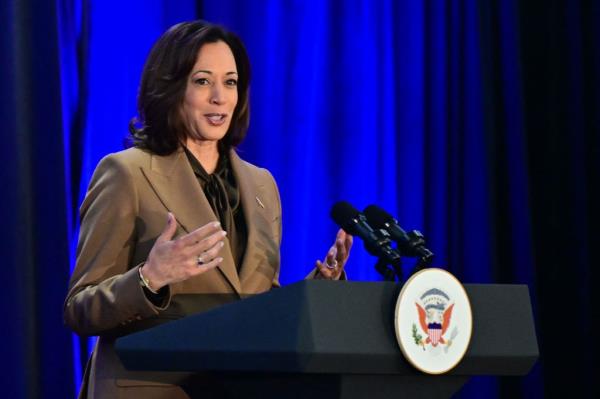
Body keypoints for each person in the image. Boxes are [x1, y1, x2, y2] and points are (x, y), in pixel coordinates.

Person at [63, 20, 353, 399]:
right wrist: (149, 278)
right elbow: (81, 307)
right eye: (203, 81)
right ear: (171, 87)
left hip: (240, 388)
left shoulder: (261, 184)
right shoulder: (126, 173)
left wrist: (320, 290)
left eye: (230, 82)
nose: (220, 97)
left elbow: (257, 306)